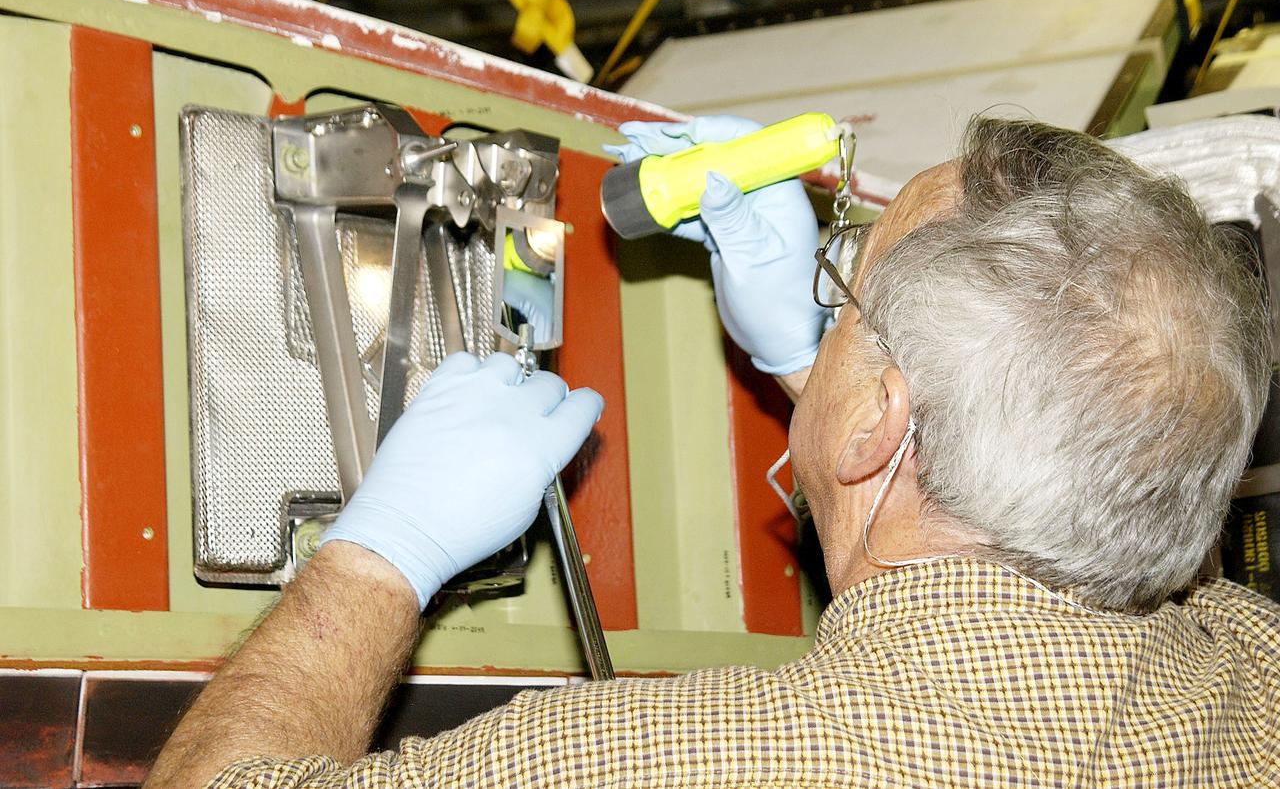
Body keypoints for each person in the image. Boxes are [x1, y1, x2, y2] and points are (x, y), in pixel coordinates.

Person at [146, 116, 1280, 788]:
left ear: (879, 422)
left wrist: (376, 557)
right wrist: (813, 366)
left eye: (841, 288)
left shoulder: (664, 762)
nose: (824, 301)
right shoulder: (1249, 671)